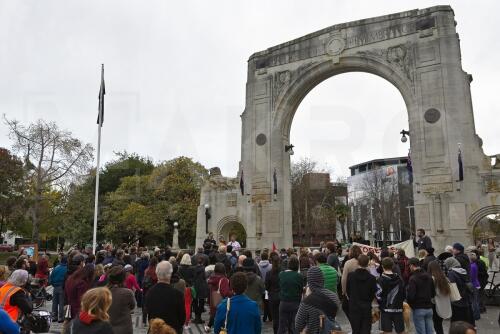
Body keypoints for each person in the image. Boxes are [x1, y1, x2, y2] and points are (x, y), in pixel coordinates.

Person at [295, 266, 340, 334]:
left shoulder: (307, 301)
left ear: (309, 282)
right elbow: (334, 315)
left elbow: (298, 325)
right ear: (322, 279)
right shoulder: (333, 296)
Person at [146, 261, 185, 334]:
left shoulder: (149, 292)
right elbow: (182, 319)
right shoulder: (178, 294)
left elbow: (149, 314)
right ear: (170, 274)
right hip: (172, 331)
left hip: (155, 331)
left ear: (157, 274)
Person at [346, 254, 377, 334]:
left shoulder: (351, 276)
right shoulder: (372, 278)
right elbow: (373, 293)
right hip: (366, 306)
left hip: (354, 306)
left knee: (355, 330)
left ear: (357, 263)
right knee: (366, 330)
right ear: (368, 264)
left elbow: (348, 290)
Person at [376, 257, 406, 334]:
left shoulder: (380, 280)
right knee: (401, 331)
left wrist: (380, 304)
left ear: (382, 266)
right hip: (398, 309)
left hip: (385, 310)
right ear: (392, 266)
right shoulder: (399, 279)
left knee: (387, 332)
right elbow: (403, 293)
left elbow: (378, 296)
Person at [407, 257, 435, 334]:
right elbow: (433, 293)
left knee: (421, 332)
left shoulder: (413, 278)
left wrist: (412, 305)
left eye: (409, 266)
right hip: (429, 308)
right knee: (430, 331)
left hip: (418, 308)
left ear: (412, 266)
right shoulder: (429, 276)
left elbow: (411, 296)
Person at [445, 257, 475, 326]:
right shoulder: (463, 271)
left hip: (457, 301)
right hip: (466, 299)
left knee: (457, 323)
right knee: (465, 322)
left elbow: (452, 287)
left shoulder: (452, 273)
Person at [107, 266, 136, 334]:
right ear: (123, 278)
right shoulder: (127, 293)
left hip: (108, 328)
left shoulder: (104, 292)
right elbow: (132, 306)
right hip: (124, 329)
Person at [278, 256, 303, 333]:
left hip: (283, 302)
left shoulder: (281, 274)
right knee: (294, 325)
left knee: (282, 325)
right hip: (295, 302)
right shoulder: (299, 276)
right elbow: (301, 289)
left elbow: (279, 286)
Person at [206, 263, 233, 332]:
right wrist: (232, 293)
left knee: (215, 317)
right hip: (222, 303)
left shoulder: (212, 278)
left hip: (214, 301)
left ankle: (210, 327)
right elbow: (225, 293)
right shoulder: (223, 279)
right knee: (222, 323)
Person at [427, 261, 451, 334]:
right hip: (444, 303)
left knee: (436, 324)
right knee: (439, 323)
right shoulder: (444, 278)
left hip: (435, 304)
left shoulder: (431, 279)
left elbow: (430, 293)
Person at [341, 245, 362, 320]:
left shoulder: (348, 263)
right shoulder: (363, 261)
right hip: (362, 289)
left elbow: (344, 278)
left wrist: (344, 291)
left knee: (346, 307)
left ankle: (354, 323)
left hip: (351, 290)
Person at [49, 254, 68, 323]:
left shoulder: (56, 268)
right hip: (62, 287)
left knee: (55, 302)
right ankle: (60, 317)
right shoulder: (67, 269)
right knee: (61, 302)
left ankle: (54, 316)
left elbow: (51, 278)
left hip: (55, 287)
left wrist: (53, 284)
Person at [266, 254, 281, 334]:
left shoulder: (269, 273)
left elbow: (267, 286)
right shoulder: (282, 272)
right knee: (281, 317)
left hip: (272, 296)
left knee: (275, 318)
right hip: (281, 296)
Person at [193, 257, 209, 324]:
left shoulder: (194, 268)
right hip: (202, 286)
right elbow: (205, 277)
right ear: (202, 262)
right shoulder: (203, 268)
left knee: (195, 301)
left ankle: (196, 317)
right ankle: (199, 317)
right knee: (201, 301)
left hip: (195, 285)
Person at [257, 252, 272, 322]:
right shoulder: (271, 266)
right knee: (267, 301)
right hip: (269, 286)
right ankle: (268, 316)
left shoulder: (257, 266)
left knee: (265, 301)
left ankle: (266, 316)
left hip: (261, 286)